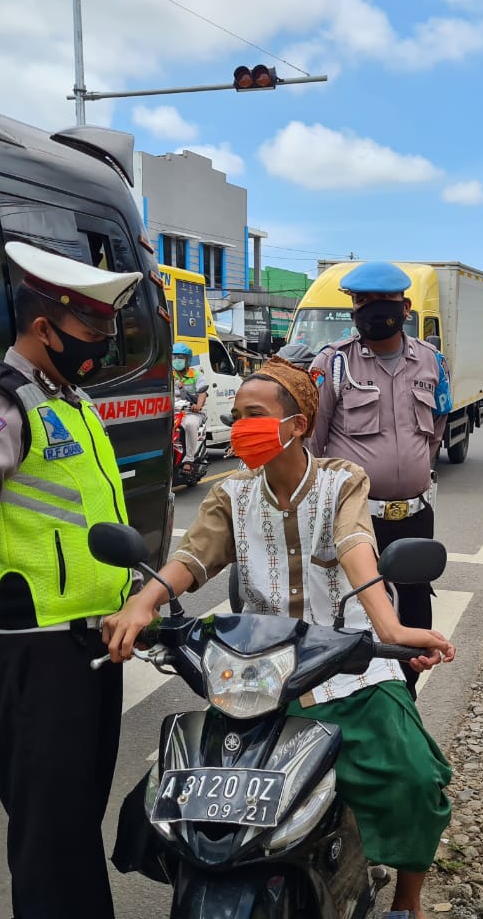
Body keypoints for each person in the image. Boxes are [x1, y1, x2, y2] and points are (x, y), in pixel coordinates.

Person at [103, 357, 455, 919]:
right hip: (259, 670)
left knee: (412, 779)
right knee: (180, 787)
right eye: (237, 413)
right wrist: (144, 601)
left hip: (350, 662)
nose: (240, 424)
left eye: (254, 414)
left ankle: (408, 900)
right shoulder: (232, 494)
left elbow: (353, 542)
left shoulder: (343, 481)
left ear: (294, 426)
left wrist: (389, 627)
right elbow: (195, 556)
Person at [0, 241, 143, 919]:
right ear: (44, 327)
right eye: (92, 329)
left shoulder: (69, 401)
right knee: (49, 838)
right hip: (34, 656)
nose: (102, 343)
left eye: (109, 328)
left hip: (92, 648)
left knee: (75, 828)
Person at [307, 261, 452, 699]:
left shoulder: (432, 361)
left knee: (414, 620)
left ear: (404, 307)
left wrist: (410, 472)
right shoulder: (332, 364)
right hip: (354, 520)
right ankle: (355, 706)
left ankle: (403, 706)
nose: (371, 311)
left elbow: (438, 426)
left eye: (382, 303)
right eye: (362, 302)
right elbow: (313, 442)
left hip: (413, 516)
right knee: (353, 619)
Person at [171, 341, 208, 477]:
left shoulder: (197, 375)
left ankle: (189, 459)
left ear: (188, 360)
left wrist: (198, 405)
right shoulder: (170, 375)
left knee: (190, 425)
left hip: (190, 412)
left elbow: (202, 393)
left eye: (180, 358)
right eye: (174, 357)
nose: (177, 361)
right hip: (172, 412)